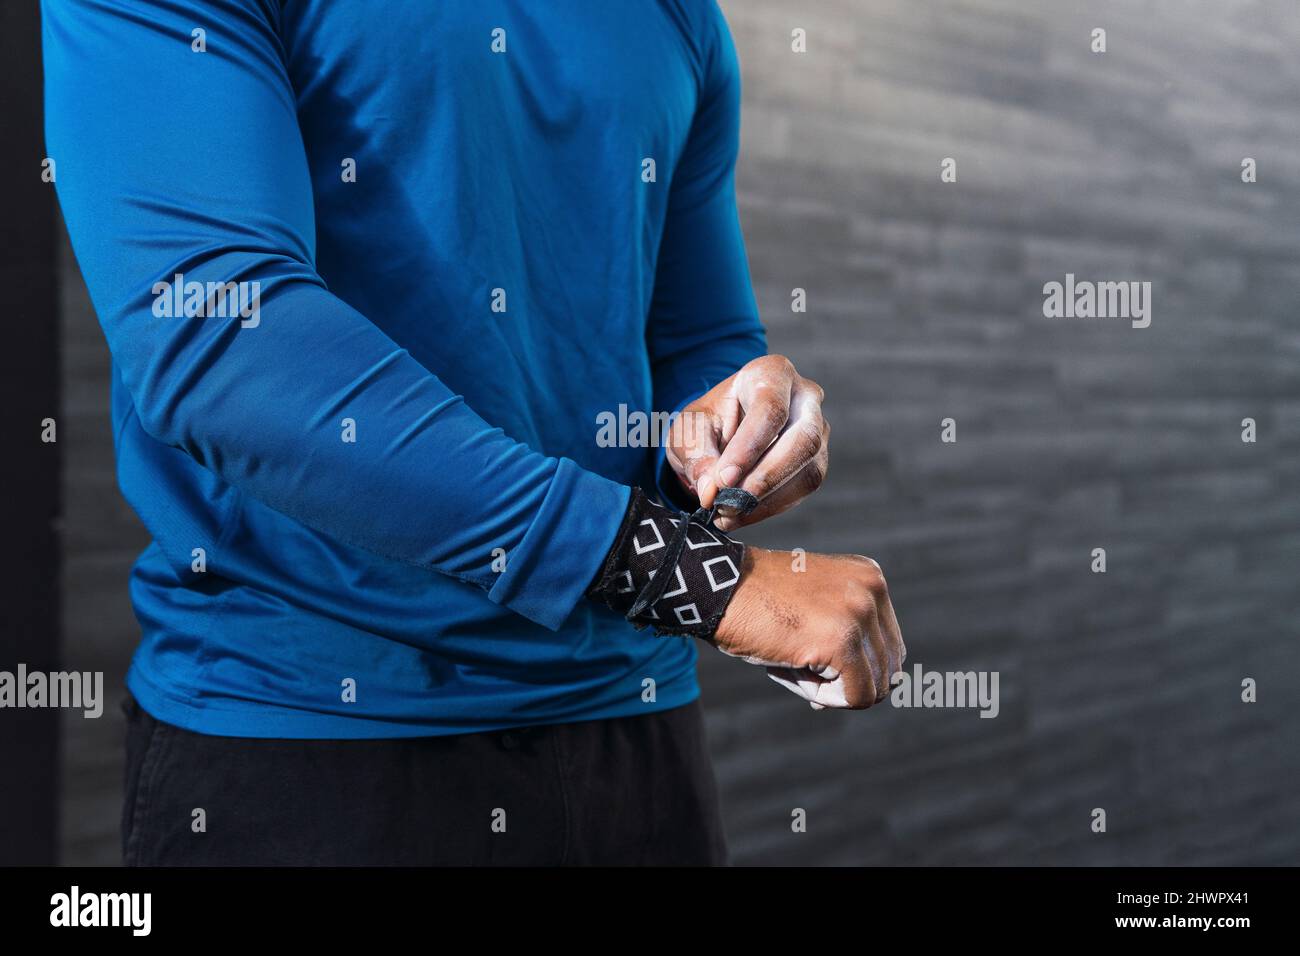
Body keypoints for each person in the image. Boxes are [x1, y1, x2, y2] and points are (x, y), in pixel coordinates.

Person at [43, 0, 904, 866]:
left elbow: (694, 340)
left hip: (636, 736)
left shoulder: (679, 17)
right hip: (310, 743)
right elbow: (223, 343)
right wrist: (695, 581)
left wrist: (739, 420)